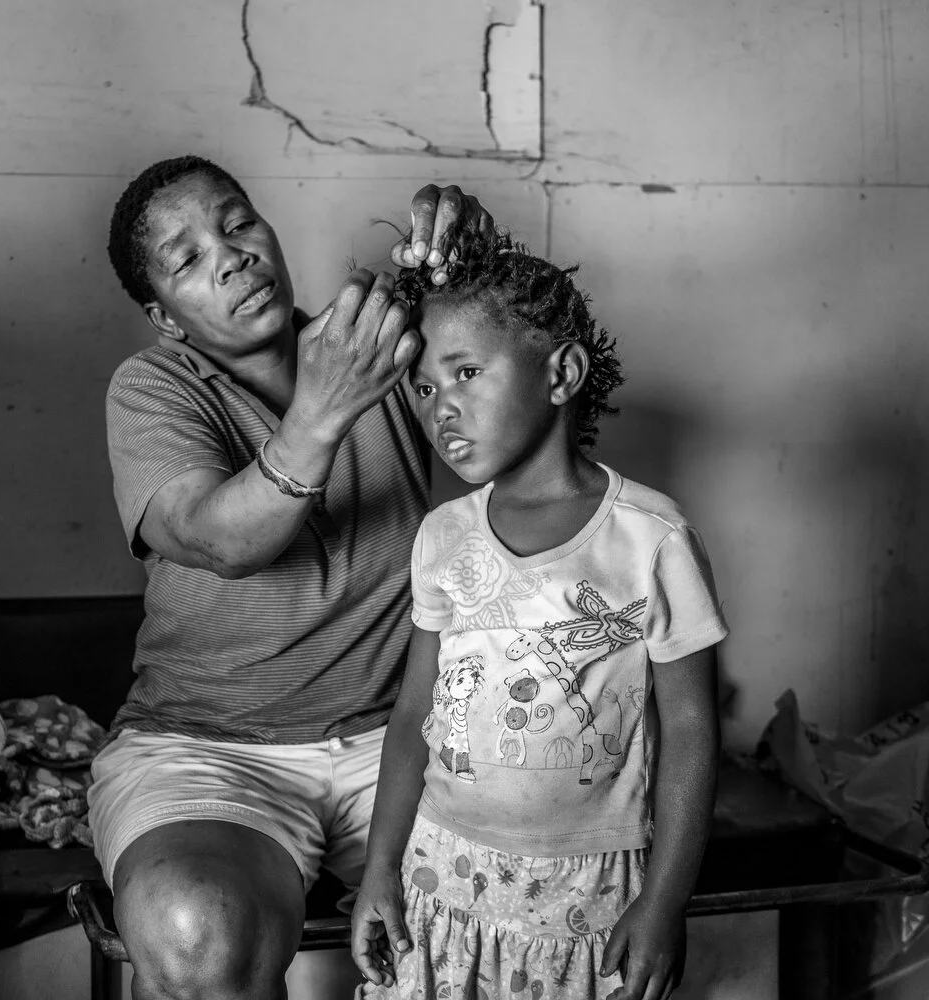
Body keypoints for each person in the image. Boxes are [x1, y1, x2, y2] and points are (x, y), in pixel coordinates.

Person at [88, 155, 492, 1000]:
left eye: (236, 224)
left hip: (399, 736)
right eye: (188, 257)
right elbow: (219, 538)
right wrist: (326, 404)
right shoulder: (151, 389)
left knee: (516, 902)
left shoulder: (380, 344)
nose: (230, 256)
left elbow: (501, 384)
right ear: (164, 317)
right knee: (194, 928)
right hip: (207, 749)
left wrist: (468, 268)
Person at [350, 228, 728, 1000]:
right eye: (423, 387)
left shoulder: (650, 540)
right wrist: (379, 870)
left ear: (562, 373)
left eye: (466, 372)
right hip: (440, 879)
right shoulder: (443, 536)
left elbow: (691, 730)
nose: (440, 408)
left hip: (590, 893)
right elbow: (414, 712)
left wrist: (663, 901)